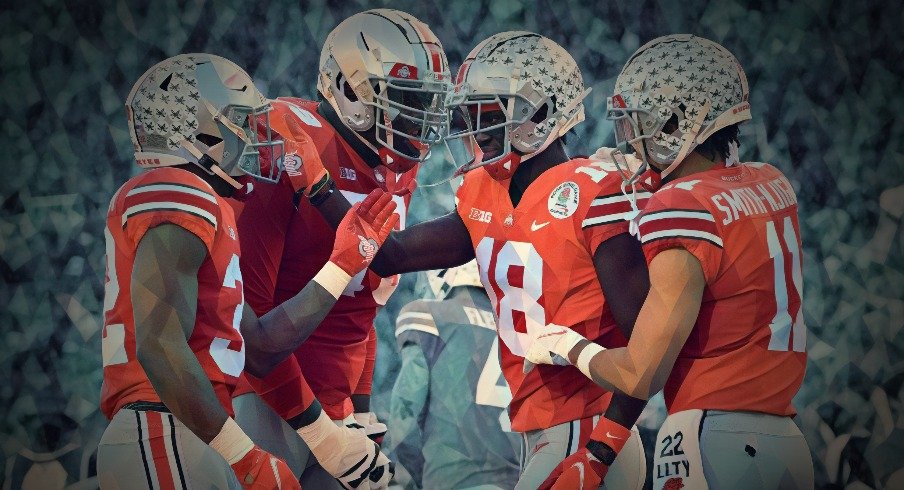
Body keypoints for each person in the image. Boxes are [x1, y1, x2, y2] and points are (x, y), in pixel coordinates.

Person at [308, 31, 651, 489]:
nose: (475, 128)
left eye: (489, 113)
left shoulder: (593, 190)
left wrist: (602, 449)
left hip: (590, 427)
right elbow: (387, 255)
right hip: (543, 431)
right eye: (469, 113)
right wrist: (314, 181)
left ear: (542, 114)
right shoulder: (483, 193)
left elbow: (648, 349)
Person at [523, 34, 814, 488]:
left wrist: (567, 345)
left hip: (713, 437)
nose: (631, 140)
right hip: (786, 441)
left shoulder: (681, 206)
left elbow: (641, 374)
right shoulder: (771, 183)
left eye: (642, 122)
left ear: (679, 122)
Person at [98, 53, 398, 489]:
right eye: (241, 122)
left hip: (188, 425)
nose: (258, 137)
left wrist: (343, 264)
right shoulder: (177, 188)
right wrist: (246, 457)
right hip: (163, 422)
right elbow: (160, 344)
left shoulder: (212, 205)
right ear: (200, 132)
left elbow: (258, 344)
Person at [229, 9, 450, 486]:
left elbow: (363, 304)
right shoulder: (285, 137)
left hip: (338, 409)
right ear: (352, 92)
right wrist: (320, 431)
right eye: (408, 100)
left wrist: (361, 413)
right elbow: (253, 338)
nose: (421, 118)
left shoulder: (398, 169)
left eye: (426, 101)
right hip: (265, 403)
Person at [387, 261, 521, 489]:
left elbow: (405, 420)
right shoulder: (517, 334)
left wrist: (419, 478)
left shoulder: (431, 316)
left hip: (453, 476)